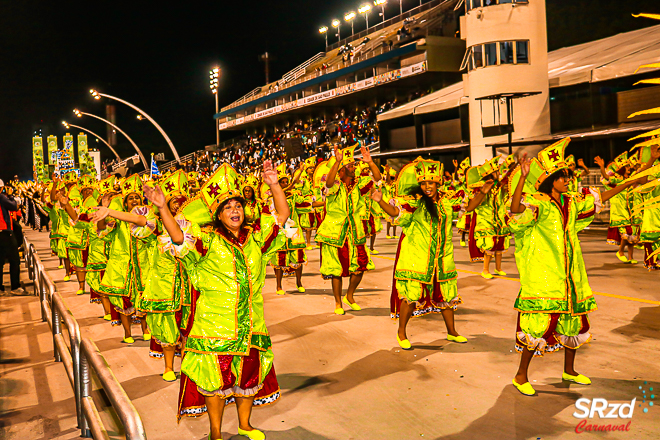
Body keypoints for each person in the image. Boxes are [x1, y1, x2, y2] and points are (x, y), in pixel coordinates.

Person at [508, 139, 659, 396]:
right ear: (550, 179)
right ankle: (521, 376)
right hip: (545, 276)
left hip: (571, 274)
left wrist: (630, 183)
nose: (568, 180)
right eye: (563, 177)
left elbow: (601, 196)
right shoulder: (538, 203)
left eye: (568, 176)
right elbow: (515, 211)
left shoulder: (571, 202)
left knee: (573, 323)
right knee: (536, 326)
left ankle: (569, 370)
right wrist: (522, 179)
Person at [153, 160, 289, 440]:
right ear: (217, 214)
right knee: (214, 380)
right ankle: (215, 432)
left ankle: (245, 424)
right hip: (214, 325)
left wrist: (274, 185)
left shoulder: (255, 237)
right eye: (227, 207)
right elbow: (178, 237)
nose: (234, 210)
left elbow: (282, 216)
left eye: (238, 205)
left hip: (252, 322)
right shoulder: (207, 240)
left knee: (248, 376)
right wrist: (162, 208)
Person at [372, 158, 473, 349]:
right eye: (424, 183)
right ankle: (401, 332)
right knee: (412, 295)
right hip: (417, 257)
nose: (428, 187)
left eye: (431, 183)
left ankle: (452, 332)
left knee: (446, 295)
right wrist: (380, 201)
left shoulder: (447, 201)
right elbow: (396, 213)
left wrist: (482, 193)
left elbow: (469, 207)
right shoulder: (415, 203)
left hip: (442, 257)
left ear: (438, 183)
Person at [316, 144, 381, 314]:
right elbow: (329, 184)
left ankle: (349, 296)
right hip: (334, 231)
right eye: (351, 165)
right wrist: (337, 162)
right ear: (343, 169)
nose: (355, 168)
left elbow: (378, 178)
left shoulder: (359, 184)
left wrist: (371, 163)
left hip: (355, 230)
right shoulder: (334, 184)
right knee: (335, 269)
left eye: (354, 165)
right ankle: (338, 303)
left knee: (360, 266)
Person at [139, 170, 191, 382]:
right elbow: (138, 219)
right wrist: (111, 212)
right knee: (166, 325)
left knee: (191, 326)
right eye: (174, 203)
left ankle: (187, 366)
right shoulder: (157, 225)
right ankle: (169, 366)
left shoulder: (198, 228)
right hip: (164, 284)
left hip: (191, 285)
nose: (178, 206)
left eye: (182, 203)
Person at [91, 175, 156, 344]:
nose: (134, 200)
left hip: (143, 265)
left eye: (137, 197)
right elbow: (102, 233)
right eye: (130, 198)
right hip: (121, 265)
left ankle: (145, 329)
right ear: (125, 203)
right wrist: (103, 213)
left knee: (143, 297)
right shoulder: (117, 220)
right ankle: (127, 332)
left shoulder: (148, 218)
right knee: (122, 300)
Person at [465, 156, 512, 279]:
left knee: (500, 244)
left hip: (499, 220)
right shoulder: (480, 186)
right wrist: (483, 192)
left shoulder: (500, 186)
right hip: (486, 220)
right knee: (489, 246)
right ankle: (485, 269)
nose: (498, 173)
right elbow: (472, 204)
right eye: (496, 172)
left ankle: (498, 267)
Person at [0, 180, 25, 295]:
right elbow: (14, 206)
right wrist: (10, 195)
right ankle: (15, 287)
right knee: (14, 259)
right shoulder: (1, 197)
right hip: (4, 232)